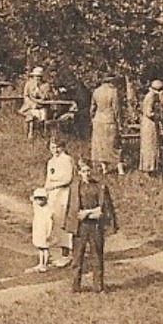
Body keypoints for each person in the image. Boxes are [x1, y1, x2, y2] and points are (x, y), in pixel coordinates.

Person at [64, 158, 118, 293]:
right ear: (79, 172)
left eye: (88, 170)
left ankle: (98, 286)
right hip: (80, 226)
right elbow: (73, 208)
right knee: (77, 257)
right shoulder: (75, 187)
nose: (86, 173)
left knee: (97, 256)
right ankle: (75, 286)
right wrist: (85, 214)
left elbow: (103, 207)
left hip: (95, 226)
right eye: (83, 171)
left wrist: (88, 212)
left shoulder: (99, 186)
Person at [43, 139, 75, 268]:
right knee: (53, 222)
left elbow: (68, 178)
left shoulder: (67, 159)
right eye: (53, 147)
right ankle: (57, 254)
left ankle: (67, 254)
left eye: (58, 147)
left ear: (63, 147)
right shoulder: (51, 162)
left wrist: (53, 185)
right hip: (53, 195)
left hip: (63, 194)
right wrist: (45, 191)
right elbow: (48, 179)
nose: (55, 150)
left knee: (63, 222)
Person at [87, 75, 122, 174]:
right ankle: (120, 169)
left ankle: (104, 168)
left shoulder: (96, 91)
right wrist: (120, 122)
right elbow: (116, 109)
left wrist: (93, 118)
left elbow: (92, 108)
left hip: (98, 120)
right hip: (109, 120)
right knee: (114, 144)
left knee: (100, 144)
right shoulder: (113, 92)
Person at [138, 79, 163, 176]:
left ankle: (150, 168)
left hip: (148, 124)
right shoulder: (151, 97)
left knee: (150, 145)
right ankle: (148, 169)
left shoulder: (149, 96)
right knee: (150, 146)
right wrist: (158, 116)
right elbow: (148, 112)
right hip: (150, 124)